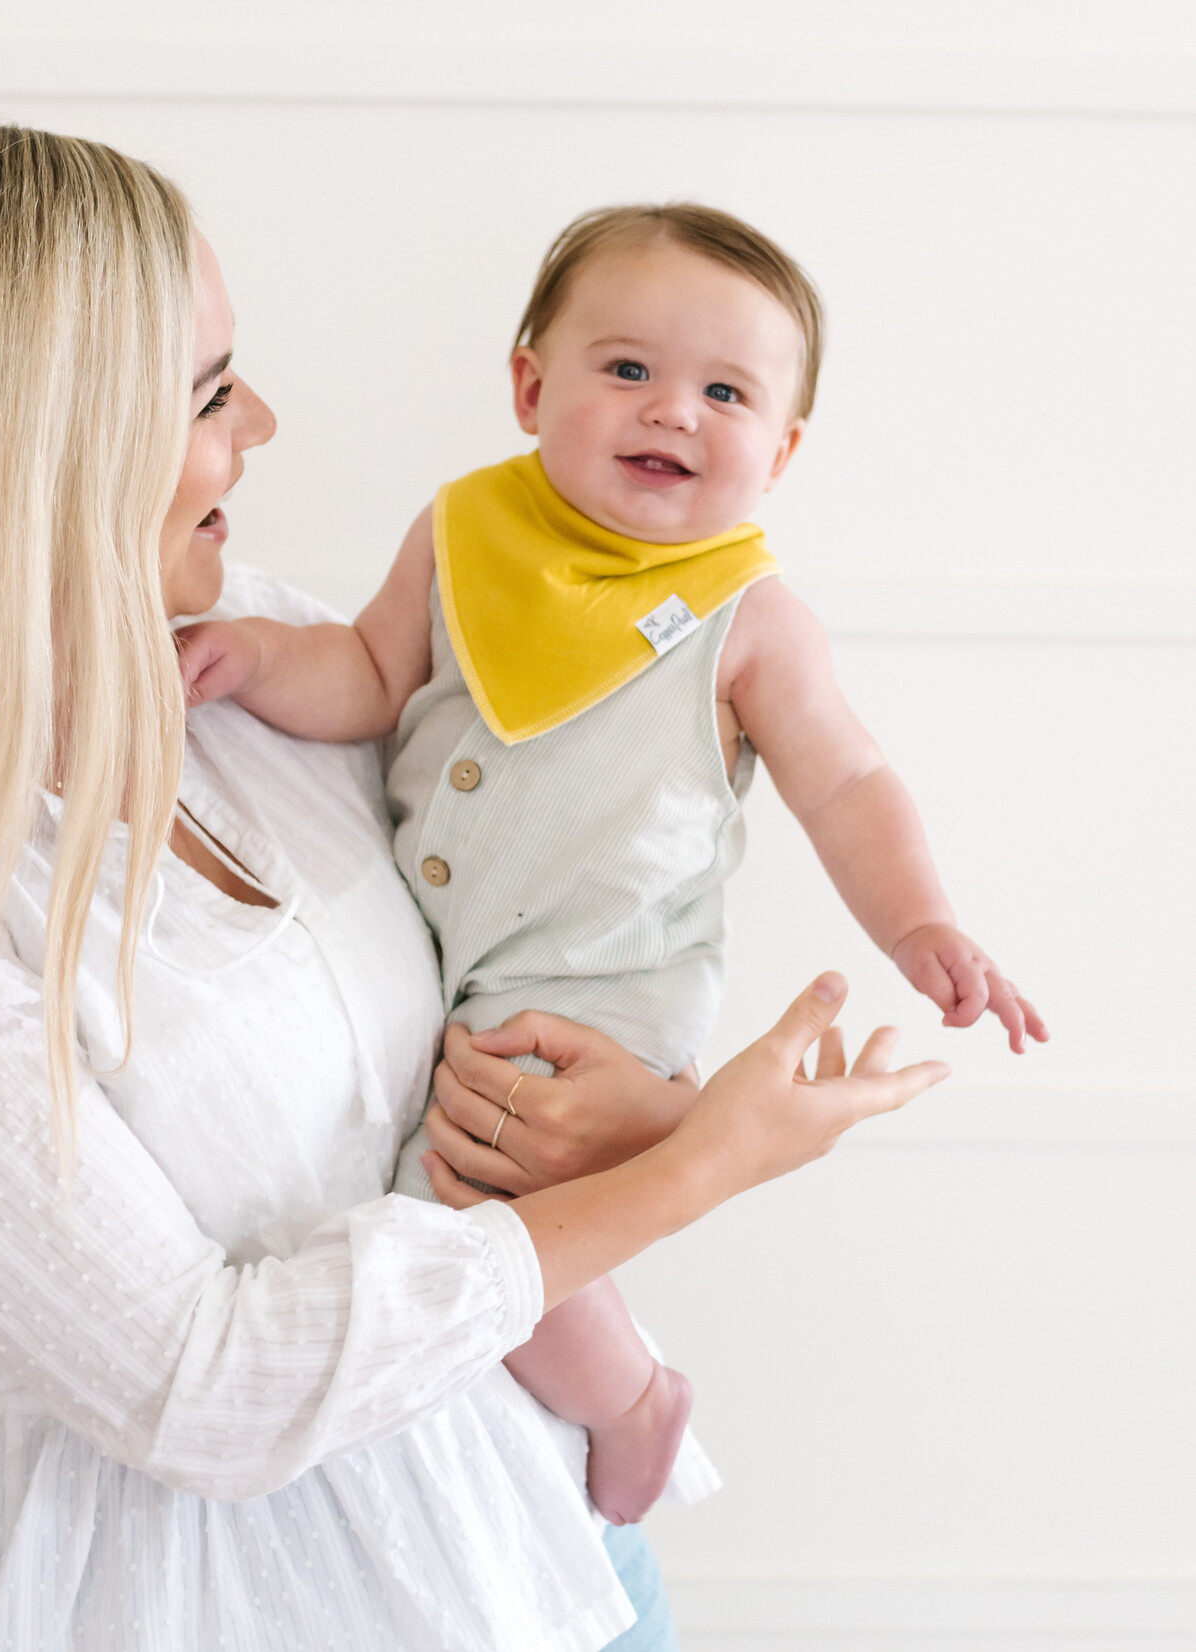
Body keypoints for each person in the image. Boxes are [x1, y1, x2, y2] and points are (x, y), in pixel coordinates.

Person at [0, 120, 946, 1652]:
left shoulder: (247, 660)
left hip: (538, 1549)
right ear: (31, 449)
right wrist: (697, 1165)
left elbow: (500, 946)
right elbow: (207, 1388)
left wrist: (628, 1107)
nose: (261, 420)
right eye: (205, 392)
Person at [176, 202, 1048, 1524]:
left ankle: (632, 1401)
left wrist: (920, 920)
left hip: (596, 994)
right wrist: (250, 658)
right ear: (531, 386)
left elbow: (851, 782)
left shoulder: (750, 621)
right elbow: (366, 672)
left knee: (473, 1223)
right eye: (627, 369)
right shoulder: (467, 534)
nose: (673, 413)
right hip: (440, 968)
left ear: (784, 447)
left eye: (726, 392)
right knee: (448, 1206)